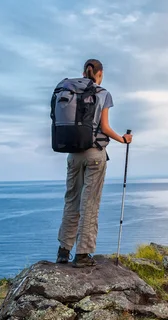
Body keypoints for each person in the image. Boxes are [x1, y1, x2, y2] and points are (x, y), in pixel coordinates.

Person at [56, 59, 133, 267]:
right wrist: (122, 139)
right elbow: (105, 127)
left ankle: (64, 250)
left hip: (73, 154)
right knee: (90, 202)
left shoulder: (69, 90)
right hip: (94, 155)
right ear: (100, 73)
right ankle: (83, 254)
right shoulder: (102, 93)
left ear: (84, 72)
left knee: (71, 200)